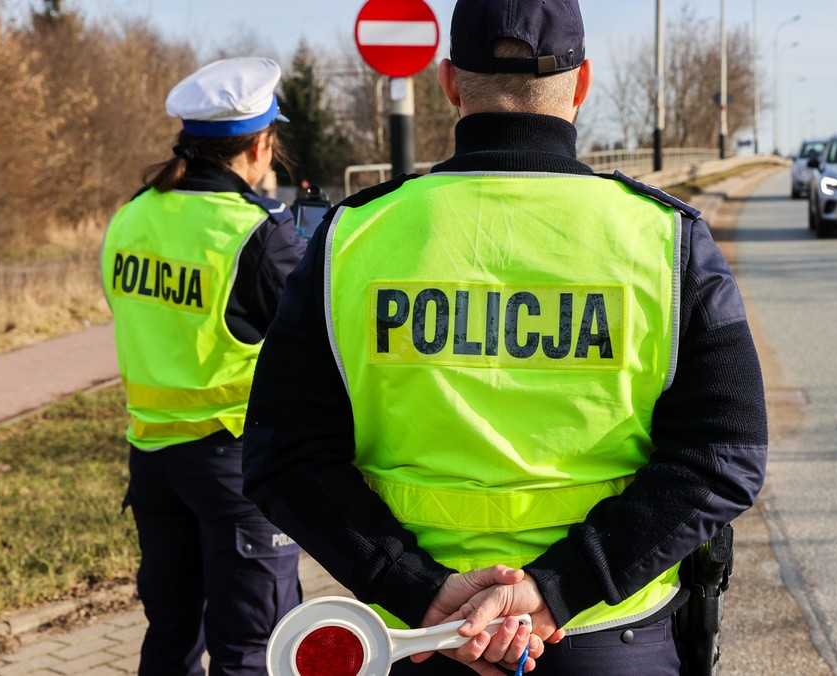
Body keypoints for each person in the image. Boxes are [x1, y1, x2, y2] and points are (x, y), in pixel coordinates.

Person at [242, 0, 768, 673]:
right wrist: (556, 591)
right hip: (609, 638)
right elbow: (727, 452)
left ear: (450, 83)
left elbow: (281, 455)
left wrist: (420, 592)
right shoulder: (667, 242)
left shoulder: (350, 240)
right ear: (582, 85)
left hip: (424, 644)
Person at [100, 56, 306, 675]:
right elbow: (318, 343)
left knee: (171, 638)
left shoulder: (130, 216)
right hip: (233, 467)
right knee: (251, 649)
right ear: (260, 144)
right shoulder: (258, 234)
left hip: (153, 460)